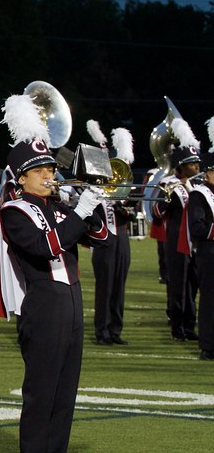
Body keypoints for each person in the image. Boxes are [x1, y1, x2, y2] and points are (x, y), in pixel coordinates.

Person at [0, 94, 108, 453]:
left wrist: (94, 204)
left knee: (64, 396)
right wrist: (78, 212)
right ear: (21, 178)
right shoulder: (15, 211)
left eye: (51, 168)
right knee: (41, 396)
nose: (49, 175)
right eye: (40, 170)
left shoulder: (59, 206)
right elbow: (45, 247)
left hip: (71, 305)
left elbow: (101, 239)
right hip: (43, 307)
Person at [152, 134, 202, 342]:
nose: (197, 166)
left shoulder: (199, 185)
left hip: (196, 243)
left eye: (197, 162)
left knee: (193, 285)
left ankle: (190, 325)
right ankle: (177, 327)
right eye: (192, 163)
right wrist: (168, 196)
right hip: (176, 242)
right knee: (178, 285)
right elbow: (156, 212)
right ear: (181, 166)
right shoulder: (168, 183)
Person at [90, 127, 135, 346]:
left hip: (122, 240)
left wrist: (126, 208)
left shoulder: (124, 191)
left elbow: (132, 214)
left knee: (119, 286)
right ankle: (102, 331)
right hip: (105, 242)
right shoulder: (96, 191)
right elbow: (92, 216)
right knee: (105, 287)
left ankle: (115, 329)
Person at [188, 152, 214, 360]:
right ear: (209, 173)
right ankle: (208, 346)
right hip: (209, 253)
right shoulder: (199, 194)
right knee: (210, 299)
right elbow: (196, 228)